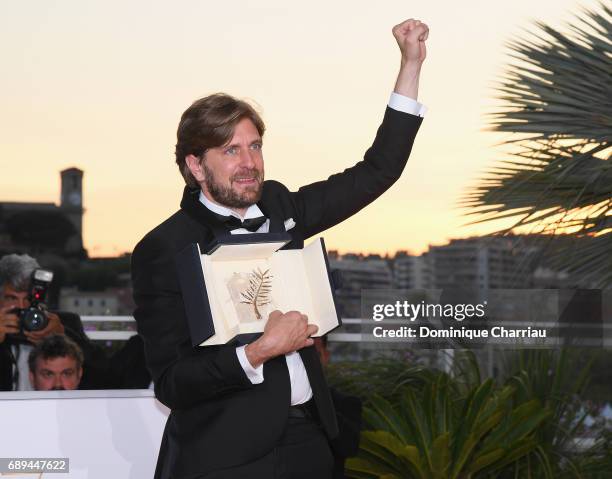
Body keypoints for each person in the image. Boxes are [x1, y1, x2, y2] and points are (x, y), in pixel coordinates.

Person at [131, 18, 429, 479]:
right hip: (226, 457)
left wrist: (411, 65)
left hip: (311, 442)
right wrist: (257, 353)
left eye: (255, 146)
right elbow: (172, 383)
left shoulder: (281, 206)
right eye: (230, 151)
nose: (249, 163)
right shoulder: (163, 248)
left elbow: (378, 170)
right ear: (195, 165)